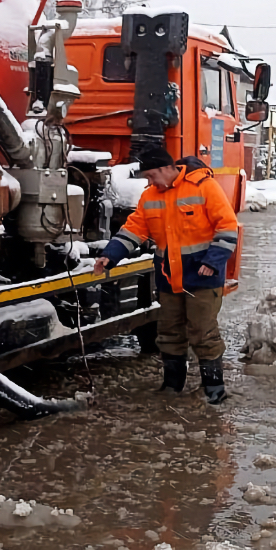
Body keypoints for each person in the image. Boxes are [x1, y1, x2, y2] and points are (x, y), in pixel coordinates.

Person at [93, 149, 239, 404]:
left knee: (203, 333)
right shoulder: (149, 196)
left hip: (203, 277)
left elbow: (227, 227)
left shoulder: (205, 187)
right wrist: (110, 255)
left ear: (165, 169)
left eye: (151, 176)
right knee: (169, 332)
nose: (150, 182)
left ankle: (214, 390)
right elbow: (134, 229)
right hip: (168, 277)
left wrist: (212, 262)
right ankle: (172, 386)